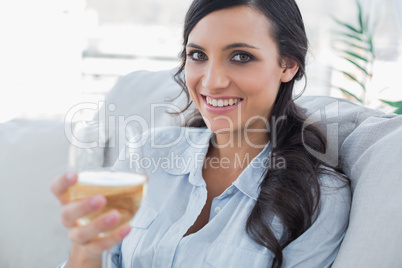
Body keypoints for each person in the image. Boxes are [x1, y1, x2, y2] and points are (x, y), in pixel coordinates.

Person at [51, 0, 351, 267]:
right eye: (198, 55)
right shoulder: (148, 152)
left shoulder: (318, 195)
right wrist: (87, 250)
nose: (212, 81)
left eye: (241, 57)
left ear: (288, 65)